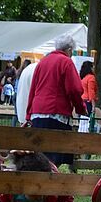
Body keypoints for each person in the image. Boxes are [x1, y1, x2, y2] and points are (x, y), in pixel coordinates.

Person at [24, 34, 86, 169]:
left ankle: (41, 177)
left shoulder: (42, 62)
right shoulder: (66, 62)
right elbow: (75, 89)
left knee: (39, 152)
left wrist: (28, 114)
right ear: (69, 50)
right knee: (55, 153)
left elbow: (33, 89)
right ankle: (48, 178)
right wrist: (81, 108)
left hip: (37, 112)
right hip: (56, 112)